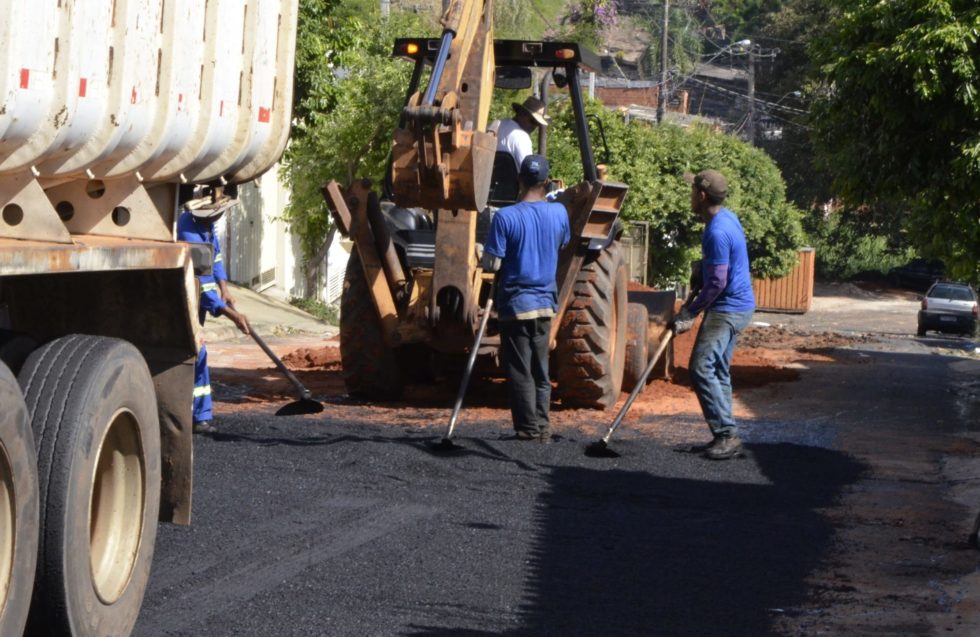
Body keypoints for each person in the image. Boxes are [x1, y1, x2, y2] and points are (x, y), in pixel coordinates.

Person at [481, 155, 570, 442]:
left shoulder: (505, 217)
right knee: (540, 367)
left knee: (520, 370)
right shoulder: (559, 214)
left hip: (516, 306)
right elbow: (563, 242)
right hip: (545, 304)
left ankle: (527, 428)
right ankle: (543, 426)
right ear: (546, 182)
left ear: (519, 180)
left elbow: (492, 264)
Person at [672, 169, 756, 460]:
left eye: (693, 191)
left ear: (702, 195)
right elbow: (723, 265)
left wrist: (690, 312)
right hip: (738, 304)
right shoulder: (726, 218)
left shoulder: (717, 231)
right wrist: (703, 266)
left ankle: (726, 435)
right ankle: (726, 433)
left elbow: (719, 282)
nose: (690, 195)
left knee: (701, 367)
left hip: (727, 309)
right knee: (718, 369)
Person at [176, 200, 251, 434]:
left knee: (197, 354)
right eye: (217, 215)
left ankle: (199, 415)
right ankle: (199, 417)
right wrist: (233, 316)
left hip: (195, 300)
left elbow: (215, 256)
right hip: (183, 301)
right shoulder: (188, 233)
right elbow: (204, 290)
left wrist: (225, 288)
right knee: (196, 353)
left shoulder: (206, 226)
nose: (220, 218)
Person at [489, 96, 550, 173]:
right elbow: (530, 171)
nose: (534, 126)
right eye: (533, 121)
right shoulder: (522, 137)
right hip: (510, 184)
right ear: (522, 113)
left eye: (537, 124)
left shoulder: (496, 124)